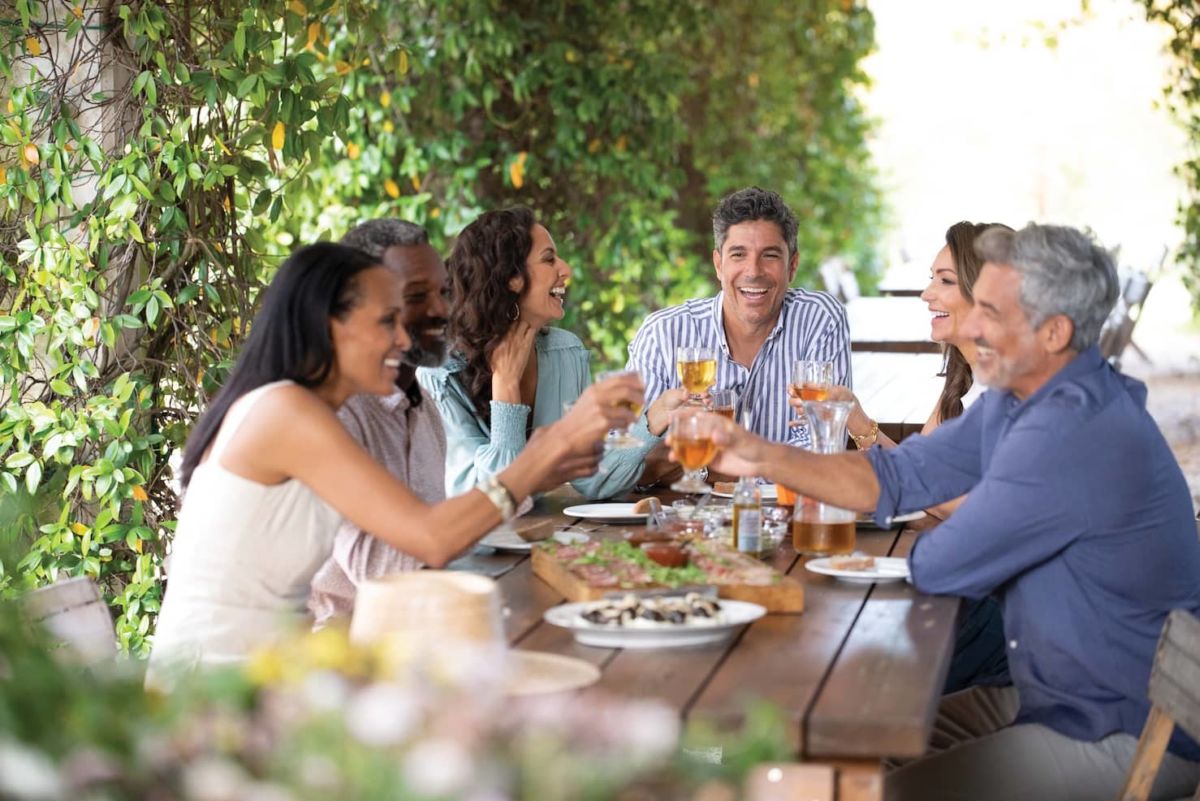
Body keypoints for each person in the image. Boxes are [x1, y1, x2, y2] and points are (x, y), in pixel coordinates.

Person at [696, 223, 1200, 800]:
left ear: (1055, 332)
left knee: (859, 789)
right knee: (844, 760)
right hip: (1056, 696)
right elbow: (899, 474)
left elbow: (940, 565)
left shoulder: (1071, 432)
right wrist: (763, 456)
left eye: (993, 310)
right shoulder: (1026, 398)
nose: (975, 326)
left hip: (1124, 730)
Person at [149, 243, 639, 680]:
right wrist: (547, 449)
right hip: (214, 690)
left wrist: (549, 463)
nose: (404, 342)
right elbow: (429, 536)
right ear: (327, 324)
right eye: (387, 322)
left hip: (283, 674)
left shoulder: (312, 411)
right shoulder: (287, 411)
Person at [792, 221, 1015, 693]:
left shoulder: (1013, 392)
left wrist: (914, 494)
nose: (925, 293)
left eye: (944, 281)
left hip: (1000, 613)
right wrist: (856, 420)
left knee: (846, 668)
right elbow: (923, 474)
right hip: (964, 583)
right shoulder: (966, 377)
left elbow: (993, 518)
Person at [418, 207, 685, 499]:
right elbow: (489, 501)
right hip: (471, 544)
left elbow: (593, 477)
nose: (566, 270)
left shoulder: (565, 352)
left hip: (548, 534)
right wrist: (506, 386)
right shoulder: (439, 375)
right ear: (511, 277)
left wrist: (652, 422)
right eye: (548, 259)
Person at [627, 186, 851, 449]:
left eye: (770, 255)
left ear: (792, 266)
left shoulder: (819, 319)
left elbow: (823, 447)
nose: (753, 271)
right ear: (719, 264)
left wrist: (702, 457)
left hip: (784, 493)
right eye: (738, 254)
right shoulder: (663, 334)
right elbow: (623, 457)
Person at [308, 219, 451, 627]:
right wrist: (523, 478)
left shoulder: (422, 407)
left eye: (444, 292)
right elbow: (385, 573)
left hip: (403, 631)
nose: (440, 309)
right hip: (321, 653)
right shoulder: (327, 412)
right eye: (415, 296)